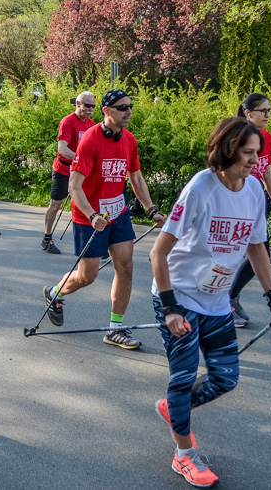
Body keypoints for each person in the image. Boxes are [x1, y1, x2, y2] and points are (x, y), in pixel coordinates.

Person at [149, 116, 271, 488]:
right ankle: (184, 456)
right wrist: (169, 308)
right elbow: (158, 252)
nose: (255, 161)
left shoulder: (255, 193)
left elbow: (257, 246)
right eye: (248, 153)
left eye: (257, 154)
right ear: (228, 150)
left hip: (216, 301)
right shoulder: (201, 186)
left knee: (226, 378)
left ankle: (173, 408)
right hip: (179, 296)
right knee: (182, 378)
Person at [43, 89, 166, 349]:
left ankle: (115, 328)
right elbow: (74, 186)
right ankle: (54, 292)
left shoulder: (129, 140)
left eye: (130, 106)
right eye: (123, 107)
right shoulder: (90, 140)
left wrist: (151, 209)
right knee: (88, 276)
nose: (129, 111)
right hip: (89, 216)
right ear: (107, 111)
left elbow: (136, 177)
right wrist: (92, 214)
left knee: (126, 267)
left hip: (118, 212)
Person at [227, 93, 271, 327]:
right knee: (244, 253)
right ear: (248, 113)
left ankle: (230, 299)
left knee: (259, 253)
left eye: (269, 110)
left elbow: (265, 171)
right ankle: (225, 301)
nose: (267, 115)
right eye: (262, 110)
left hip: (256, 201)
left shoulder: (266, 137)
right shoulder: (234, 137)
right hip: (234, 201)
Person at [42, 92, 97, 255]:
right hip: (63, 168)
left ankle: (89, 241)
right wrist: (81, 158)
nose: (90, 109)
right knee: (56, 204)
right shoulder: (67, 121)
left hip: (81, 171)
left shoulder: (91, 123)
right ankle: (47, 238)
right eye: (87, 105)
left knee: (86, 205)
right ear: (78, 104)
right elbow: (62, 149)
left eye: (93, 106)